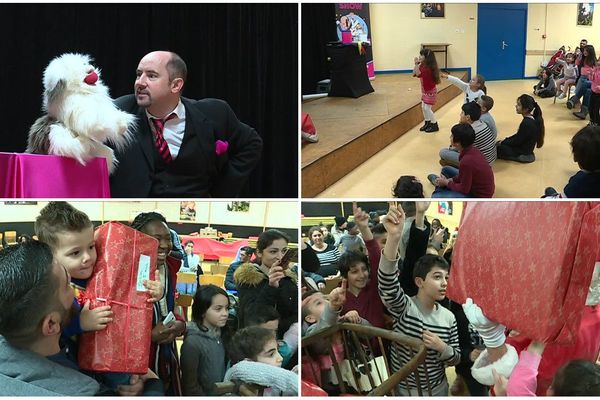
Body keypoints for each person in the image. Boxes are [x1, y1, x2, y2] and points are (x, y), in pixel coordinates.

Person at [0, 241, 163, 395]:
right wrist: (153, 384)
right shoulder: (87, 391)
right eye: (67, 285)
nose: (75, 292)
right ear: (51, 324)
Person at [35, 202, 164, 389]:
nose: (87, 257)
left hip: (117, 361)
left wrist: (153, 291)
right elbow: (45, 333)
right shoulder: (52, 291)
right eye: (75, 253)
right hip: (77, 374)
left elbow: (134, 293)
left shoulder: (103, 272)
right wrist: (80, 323)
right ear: (50, 256)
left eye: (91, 247)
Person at [110, 51, 263, 198]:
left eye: (151, 76)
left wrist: (221, 194)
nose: (140, 82)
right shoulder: (116, 112)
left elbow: (251, 143)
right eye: (138, 74)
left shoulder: (214, 113)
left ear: (176, 85)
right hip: (135, 215)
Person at [377, 204, 460, 396]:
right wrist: (393, 238)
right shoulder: (405, 307)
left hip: (438, 389)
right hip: (404, 390)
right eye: (437, 277)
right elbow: (387, 283)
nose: (444, 283)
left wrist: (443, 348)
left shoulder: (448, 317)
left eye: (446, 278)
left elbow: (455, 357)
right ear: (419, 282)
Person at [131, 212, 187, 395]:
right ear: (138, 240)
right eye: (156, 239)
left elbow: (173, 304)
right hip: (138, 361)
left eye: (167, 238)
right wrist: (149, 336)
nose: (164, 245)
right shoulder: (127, 273)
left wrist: (179, 323)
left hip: (166, 351)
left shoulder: (169, 267)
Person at [234, 229, 298, 337]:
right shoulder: (248, 278)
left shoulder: (288, 278)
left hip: (285, 338)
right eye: (273, 251)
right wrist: (271, 287)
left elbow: (294, 314)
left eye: (284, 251)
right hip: (256, 339)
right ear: (259, 252)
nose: (280, 257)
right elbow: (251, 317)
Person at [180, 284, 231, 395]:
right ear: (203, 311)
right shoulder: (192, 343)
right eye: (218, 309)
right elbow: (190, 386)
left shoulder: (223, 334)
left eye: (227, 308)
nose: (225, 314)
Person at [225, 327, 298, 396]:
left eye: (277, 351)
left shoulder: (273, 385)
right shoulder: (239, 390)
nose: (280, 358)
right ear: (249, 363)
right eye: (271, 354)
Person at [428, 123, 495, 198]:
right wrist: (451, 180)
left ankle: (440, 186)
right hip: (474, 185)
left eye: (452, 136)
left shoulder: (466, 161)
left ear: (457, 143)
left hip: (478, 196)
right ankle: (440, 185)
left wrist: (447, 183)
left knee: (436, 197)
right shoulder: (472, 149)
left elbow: (464, 189)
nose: (450, 137)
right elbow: (463, 175)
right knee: (445, 169)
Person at [439, 101, 496, 167]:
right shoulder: (482, 123)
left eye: (462, 113)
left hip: (481, 163)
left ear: (468, 117)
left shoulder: (469, 131)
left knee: (443, 152)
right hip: (490, 159)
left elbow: (460, 148)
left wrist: (451, 149)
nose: (460, 115)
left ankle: (456, 165)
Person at [496, 94, 545, 163]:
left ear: (526, 109)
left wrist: (504, 142)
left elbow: (517, 140)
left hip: (524, 150)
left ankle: (523, 156)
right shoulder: (531, 119)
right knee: (500, 144)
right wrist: (506, 140)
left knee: (498, 149)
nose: (516, 106)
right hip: (526, 147)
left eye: (519, 105)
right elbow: (518, 136)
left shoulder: (526, 123)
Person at [413, 48, 442, 133]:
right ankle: (427, 122)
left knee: (427, 108)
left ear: (427, 57)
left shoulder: (428, 68)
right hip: (425, 91)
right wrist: (417, 65)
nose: (420, 56)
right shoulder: (422, 65)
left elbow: (418, 74)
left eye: (422, 55)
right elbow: (414, 73)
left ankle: (434, 124)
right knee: (423, 107)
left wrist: (416, 64)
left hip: (430, 91)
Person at [568, 44, 596, 119]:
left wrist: (591, 73)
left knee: (585, 84)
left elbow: (594, 74)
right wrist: (579, 57)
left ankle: (575, 99)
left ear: (590, 52)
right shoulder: (583, 58)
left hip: (591, 80)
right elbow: (576, 63)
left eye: (586, 50)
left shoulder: (594, 61)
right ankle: (583, 112)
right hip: (585, 78)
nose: (584, 52)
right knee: (587, 91)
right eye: (584, 50)